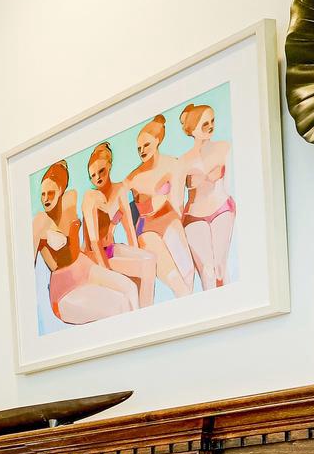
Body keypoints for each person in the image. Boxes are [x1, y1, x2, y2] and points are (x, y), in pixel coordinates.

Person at [34, 160, 137, 324]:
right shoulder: (40, 221)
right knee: (119, 305)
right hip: (65, 289)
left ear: (61, 190)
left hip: (85, 268)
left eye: (50, 193)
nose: (45, 199)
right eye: (42, 194)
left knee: (131, 289)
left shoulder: (71, 199)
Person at [126, 115, 197, 299]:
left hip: (169, 218)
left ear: (157, 141)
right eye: (139, 148)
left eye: (146, 145)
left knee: (188, 274)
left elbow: (177, 202)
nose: (142, 151)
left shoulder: (172, 164)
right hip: (146, 227)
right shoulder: (132, 178)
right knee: (174, 280)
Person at [80, 141, 157, 308]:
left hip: (112, 249)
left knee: (150, 259)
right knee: (140, 272)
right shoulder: (90, 197)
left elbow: (130, 229)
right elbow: (93, 242)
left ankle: (147, 313)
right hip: (95, 257)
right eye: (92, 175)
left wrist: (136, 254)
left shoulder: (120, 190)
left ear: (110, 166)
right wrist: (108, 273)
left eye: (101, 171)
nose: (97, 178)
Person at [179, 102, 235, 290]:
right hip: (194, 217)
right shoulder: (183, 161)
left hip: (221, 209)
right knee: (207, 272)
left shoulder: (224, 147)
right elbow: (177, 200)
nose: (211, 126)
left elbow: (234, 182)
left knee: (220, 268)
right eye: (205, 124)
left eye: (212, 121)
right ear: (193, 129)